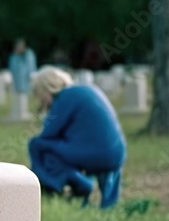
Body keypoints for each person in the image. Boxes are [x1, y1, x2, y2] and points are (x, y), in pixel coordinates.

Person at [28, 66, 126, 209]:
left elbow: (48, 133)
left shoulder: (63, 98)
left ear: (47, 89)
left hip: (95, 155)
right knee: (54, 145)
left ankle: (60, 185)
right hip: (116, 154)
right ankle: (109, 204)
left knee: (37, 144)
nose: (41, 100)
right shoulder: (84, 90)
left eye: (40, 95)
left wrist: (44, 116)